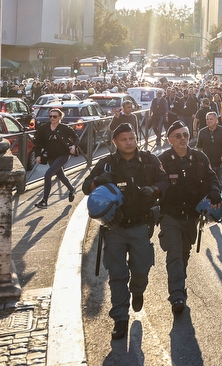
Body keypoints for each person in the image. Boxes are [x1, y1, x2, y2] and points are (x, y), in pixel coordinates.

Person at [82, 123, 168, 341]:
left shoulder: (149, 160)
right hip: (115, 229)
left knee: (141, 269)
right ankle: (120, 318)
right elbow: (86, 186)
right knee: (117, 274)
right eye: (123, 139)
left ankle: (138, 290)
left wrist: (155, 189)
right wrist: (99, 182)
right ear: (115, 142)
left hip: (141, 226)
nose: (129, 142)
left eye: (132, 138)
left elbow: (164, 180)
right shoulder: (107, 164)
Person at [158, 121, 222, 314]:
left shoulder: (199, 157)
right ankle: (177, 295)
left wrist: (214, 191)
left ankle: (179, 281)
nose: (183, 139)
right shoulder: (162, 161)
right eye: (178, 136)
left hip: (192, 216)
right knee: (175, 254)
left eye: (185, 134)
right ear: (169, 140)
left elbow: (212, 177)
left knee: (184, 254)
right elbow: (154, 182)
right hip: (170, 215)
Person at [33, 107, 79, 208]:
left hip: (63, 155)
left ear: (60, 117)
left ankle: (44, 201)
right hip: (50, 156)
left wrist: (74, 146)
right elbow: (38, 143)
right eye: (50, 116)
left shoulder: (64, 128)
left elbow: (76, 137)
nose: (52, 118)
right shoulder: (44, 128)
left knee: (48, 175)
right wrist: (38, 155)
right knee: (61, 176)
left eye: (54, 116)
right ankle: (72, 189)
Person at [196, 112, 222, 190]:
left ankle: (218, 201)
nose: (209, 121)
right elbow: (198, 148)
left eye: (211, 119)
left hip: (220, 164)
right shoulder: (202, 132)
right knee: (207, 185)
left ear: (216, 120)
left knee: (218, 185)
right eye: (207, 119)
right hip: (207, 165)